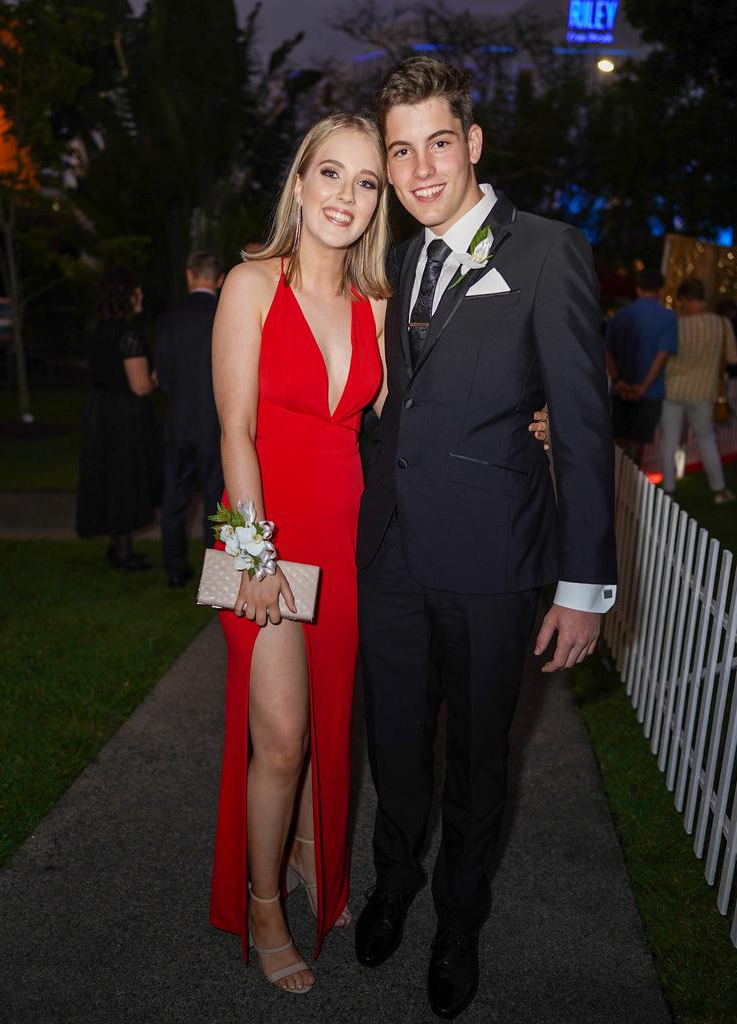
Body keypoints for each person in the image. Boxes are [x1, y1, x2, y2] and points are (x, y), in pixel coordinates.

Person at [354, 57, 617, 1020]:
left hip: (495, 560)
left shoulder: (548, 250)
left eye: (438, 143)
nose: (421, 169)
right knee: (395, 745)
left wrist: (584, 586)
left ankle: (460, 920)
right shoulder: (395, 255)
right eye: (401, 150)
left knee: (477, 762)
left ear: (472, 144)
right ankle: (395, 882)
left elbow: (584, 424)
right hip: (389, 555)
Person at [208, 113, 391, 994]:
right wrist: (252, 554)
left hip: (346, 540)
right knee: (281, 740)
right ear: (299, 182)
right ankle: (264, 903)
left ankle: (319, 857)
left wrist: (527, 421)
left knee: (327, 724)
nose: (345, 196)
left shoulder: (378, 303)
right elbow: (235, 432)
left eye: (365, 182)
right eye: (331, 173)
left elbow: (419, 414)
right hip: (263, 535)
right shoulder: (250, 283)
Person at [76, 268, 161, 568]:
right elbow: (139, 386)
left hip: (100, 411)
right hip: (123, 415)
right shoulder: (128, 333)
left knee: (110, 478)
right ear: (125, 296)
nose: (141, 296)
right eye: (137, 291)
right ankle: (123, 553)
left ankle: (117, 546)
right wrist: (156, 377)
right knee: (125, 478)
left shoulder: (98, 329)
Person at [155, 250, 225, 587]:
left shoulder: (169, 319)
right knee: (216, 502)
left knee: (175, 500)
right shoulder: (227, 314)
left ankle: (175, 568)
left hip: (179, 425)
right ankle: (215, 579)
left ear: (189, 275)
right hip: (217, 426)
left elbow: (164, 378)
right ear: (220, 279)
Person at [661, 277, 737, 504]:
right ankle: (720, 490)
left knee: (669, 441)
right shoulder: (722, 323)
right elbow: (733, 358)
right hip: (704, 391)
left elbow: (664, 356)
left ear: (684, 299)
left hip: (672, 390)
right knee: (707, 440)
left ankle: (668, 490)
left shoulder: (675, 323)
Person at [605, 267, 678, 464]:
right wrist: (644, 387)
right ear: (660, 290)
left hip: (621, 389)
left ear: (638, 288)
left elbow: (607, 351)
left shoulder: (620, 315)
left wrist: (618, 381)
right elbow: (662, 355)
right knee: (637, 450)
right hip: (650, 392)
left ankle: (614, 488)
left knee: (616, 444)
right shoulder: (667, 317)